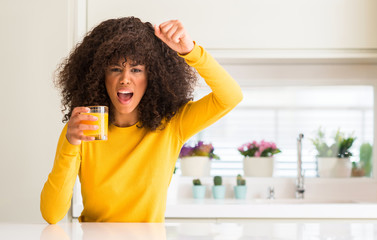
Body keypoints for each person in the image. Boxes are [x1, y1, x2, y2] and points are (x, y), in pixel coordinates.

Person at [40, 17, 243, 224]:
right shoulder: (85, 127)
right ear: (101, 76)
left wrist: (190, 51)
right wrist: (70, 144)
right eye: (115, 69)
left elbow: (231, 97)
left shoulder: (172, 125)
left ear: (152, 76)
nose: (125, 79)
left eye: (136, 70)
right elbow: (52, 214)